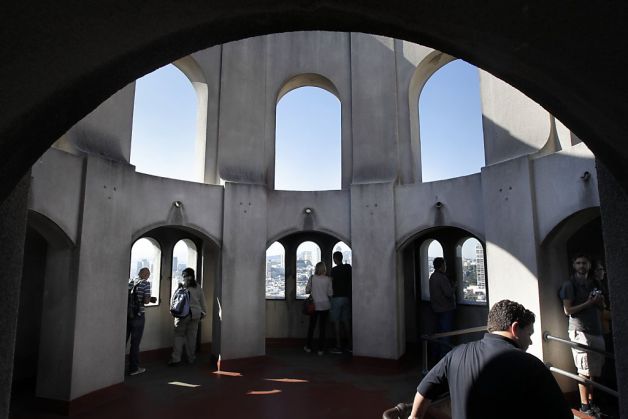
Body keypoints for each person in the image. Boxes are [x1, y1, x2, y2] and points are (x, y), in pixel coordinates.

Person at [409, 299, 572, 419]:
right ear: (515, 328)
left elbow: (424, 390)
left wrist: (415, 417)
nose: (530, 341)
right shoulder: (531, 365)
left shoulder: (456, 354)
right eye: (529, 334)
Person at [560, 253, 606, 417]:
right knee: (584, 370)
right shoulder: (569, 285)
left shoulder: (595, 283)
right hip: (580, 331)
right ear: (574, 265)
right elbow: (567, 310)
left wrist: (598, 302)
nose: (581, 266)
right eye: (578, 263)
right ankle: (584, 406)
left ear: (588, 265)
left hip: (596, 330)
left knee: (593, 371)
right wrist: (589, 303)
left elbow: (601, 308)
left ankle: (592, 404)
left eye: (584, 263)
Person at [169, 267, 207, 365]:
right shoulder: (198, 287)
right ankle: (191, 358)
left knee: (179, 336)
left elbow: (173, 300)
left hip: (181, 315)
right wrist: (204, 313)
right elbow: (203, 302)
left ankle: (176, 359)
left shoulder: (180, 287)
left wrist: (173, 312)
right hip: (195, 315)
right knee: (192, 337)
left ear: (183, 276)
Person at [127, 267, 154, 376]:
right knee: (135, 343)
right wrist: (150, 298)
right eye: (148, 274)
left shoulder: (131, 281)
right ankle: (134, 368)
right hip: (138, 315)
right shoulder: (146, 284)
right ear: (146, 275)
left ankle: (116, 367)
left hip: (128, 315)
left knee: (122, 342)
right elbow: (146, 301)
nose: (148, 276)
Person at [304, 261, 333, 355]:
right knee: (322, 328)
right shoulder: (328, 279)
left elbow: (307, 291)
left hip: (314, 305)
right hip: (325, 306)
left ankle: (308, 346)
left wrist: (314, 291)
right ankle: (320, 349)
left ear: (316, 268)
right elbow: (330, 294)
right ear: (324, 269)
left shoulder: (312, 278)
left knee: (312, 327)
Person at [429, 257, 456, 358]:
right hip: (446, 309)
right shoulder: (442, 278)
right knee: (446, 333)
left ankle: (436, 354)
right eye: (444, 265)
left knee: (438, 333)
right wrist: (454, 286)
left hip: (435, 308)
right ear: (441, 266)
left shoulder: (432, 276)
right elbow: (448, 293)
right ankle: (445, 356)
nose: (446, 267)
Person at [329, 251, 352, 354]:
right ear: (342, 258)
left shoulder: (333, 270)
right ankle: (350, 345)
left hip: (336, 297)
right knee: (346, 322)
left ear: (334, 259)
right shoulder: (348, 267)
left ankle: (338, 346)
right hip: (346, 297)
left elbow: (331, 284)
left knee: (337, 322)